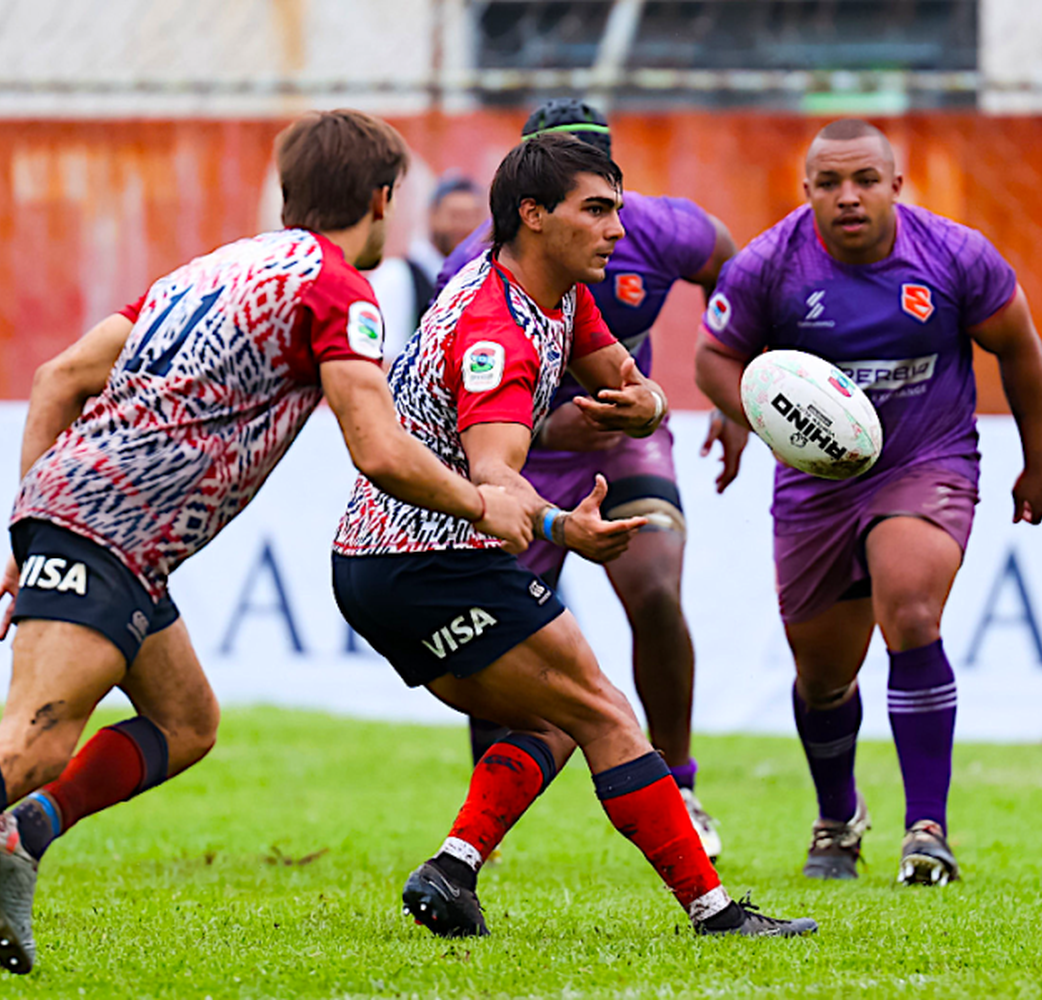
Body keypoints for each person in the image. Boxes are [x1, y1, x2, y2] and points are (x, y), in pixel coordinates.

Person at [0, 108, 541, 992]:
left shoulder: (219, 267)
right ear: (380, 197)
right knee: (33, 741)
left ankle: (24, 835)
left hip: (97, 528)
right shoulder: (337, 288)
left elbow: (58, 375)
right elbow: (378, 448)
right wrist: (482, 503)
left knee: (185, 725)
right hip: (109, 529)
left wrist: (33, 525)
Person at [333, 132, 816, 939]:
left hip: (388, 563)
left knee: (552, 719)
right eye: (596, 211)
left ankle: (451, 872)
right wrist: (564, 526)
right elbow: (495, 481)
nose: (617, 230)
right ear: (533, 215)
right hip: (423, 564)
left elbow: (630, 389)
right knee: (604, 710)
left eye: (617, 210)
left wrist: (653, 408)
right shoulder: (496, 333)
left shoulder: (556, 290)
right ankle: (716, 911)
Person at [695, 118, 1042, 886]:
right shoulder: (772, 265)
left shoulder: (955, 256)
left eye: (865, 180)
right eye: (829, 183)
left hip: (926, 461)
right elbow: (714, 357)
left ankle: (927, 829)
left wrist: (1041, 461)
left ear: (897, 185)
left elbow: (1021, 347)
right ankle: (838, 818)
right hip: (816, 484)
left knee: (911, 610)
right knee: (824, 675)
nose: (848, 197)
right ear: (807, 192)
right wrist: (755, 417)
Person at [435, 99, 742, 859]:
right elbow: (452, 409)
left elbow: (729, 264)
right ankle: (488, 814)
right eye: (586, 198)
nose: (609, 221)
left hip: (621, 447)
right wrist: (547, 425)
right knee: (499, 637)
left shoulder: (661, 228)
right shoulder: (469, 272)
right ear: (535, 206)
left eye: (609, 191)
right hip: (516, 455)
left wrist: (733, 395)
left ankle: (681, 781)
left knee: (659, 590)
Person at [370, 174, 485, 351]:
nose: (464, 227)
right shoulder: (398, 276)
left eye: (472, 217)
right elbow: (384, 360)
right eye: (455, 216)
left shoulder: (485, 281)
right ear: (432, 216)